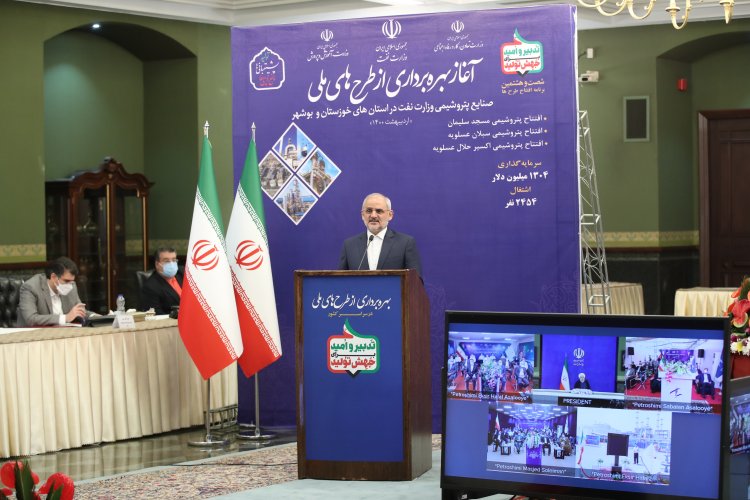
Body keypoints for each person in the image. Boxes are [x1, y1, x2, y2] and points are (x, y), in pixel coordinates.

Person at [338, 193, 422, 278]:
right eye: (369, 211)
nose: (373, 215)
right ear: (362, 215)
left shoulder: (405, 243)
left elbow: (415, 281)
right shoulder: (349, 245)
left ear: (390, 215)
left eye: (379, 211)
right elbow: (340, 280)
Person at [16, 257, 87, 327]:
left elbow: (79, 311)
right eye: (66, 281)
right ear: (53, 277)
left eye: (72, 281)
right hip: (35, 333)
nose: (70, 285)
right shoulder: (31, 287)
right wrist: (65, 318)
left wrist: (92, 316)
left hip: (65, 331)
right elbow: (31, 319)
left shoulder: (72, 286)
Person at [141, 247, 183, 315]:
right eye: (166, 261)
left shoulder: (183, 274)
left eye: (174, 260)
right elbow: (156, 315)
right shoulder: (151, 287)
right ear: (157, 264)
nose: (171, 264)